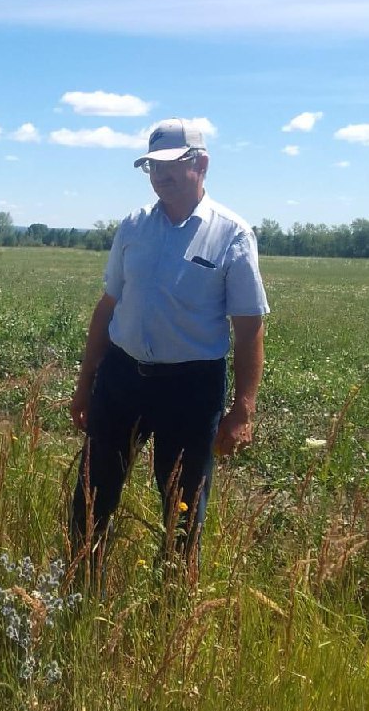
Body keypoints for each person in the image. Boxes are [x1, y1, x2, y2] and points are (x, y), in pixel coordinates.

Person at [70, 118, 269, 568]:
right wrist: (87, 383)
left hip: (191, 387)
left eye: (171, 166)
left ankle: (174, 606)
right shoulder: (134, 226)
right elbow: (107, 307)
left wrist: (243, 408)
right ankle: (80, 584)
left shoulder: (231, 233)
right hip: (122, 377)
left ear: (201, 163)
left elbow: (249, 326)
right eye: (152, 167)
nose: (160, 176)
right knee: (91, 491)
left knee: (182, 503)